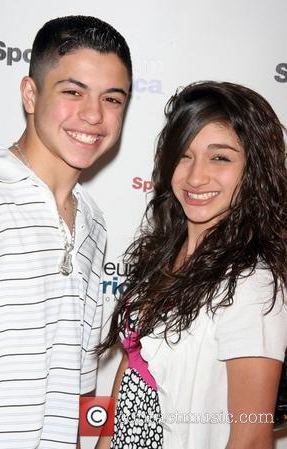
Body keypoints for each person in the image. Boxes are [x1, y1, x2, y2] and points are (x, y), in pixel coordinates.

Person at [96, 81, 287, 449]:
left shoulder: (251, 283)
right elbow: (134, 371)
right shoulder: (164, 255)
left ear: (254, 170)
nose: (196, 176)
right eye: (184, 155)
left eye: (220, 157)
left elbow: (250, 438)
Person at [0, 15, 131, 449]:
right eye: (73, 92)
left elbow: (80, 380)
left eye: (112, 99)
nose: (93, 115)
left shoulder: (94, 221)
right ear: (30, 94)